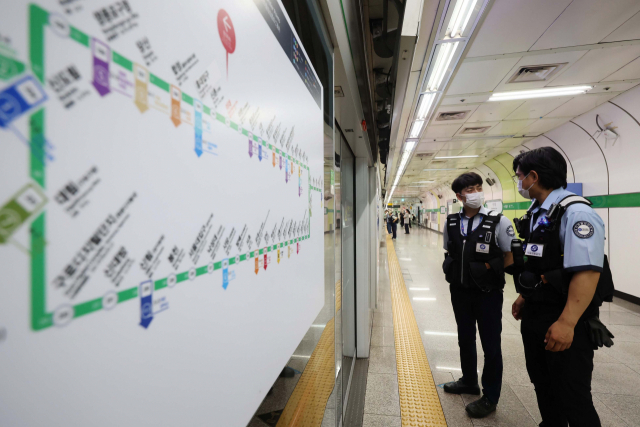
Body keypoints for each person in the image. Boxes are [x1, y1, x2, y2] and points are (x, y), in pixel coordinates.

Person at [510, 147, 614, 427]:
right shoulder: (540, 213)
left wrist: (567, 323)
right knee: (543, 385)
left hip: (566, 318)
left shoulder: (576, 213)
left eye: (519, 177)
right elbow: (542, 261)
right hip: (537, 314)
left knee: (573, 396)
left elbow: (587, 271)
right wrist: (524, 296)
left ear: (533, 176)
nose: (518, 183)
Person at [441, 172, 514, 418]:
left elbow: (509, 256)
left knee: (491, 345)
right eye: (469, 190)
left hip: (488, 294)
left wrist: (486, 269)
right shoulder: (451, 222)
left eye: (477, 187)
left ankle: (490, 395)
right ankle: (469, 381)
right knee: (465, 338)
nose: (475, 192)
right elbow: (449, 251)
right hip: (459, 292)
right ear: (459, 196)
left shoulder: (499, 221)